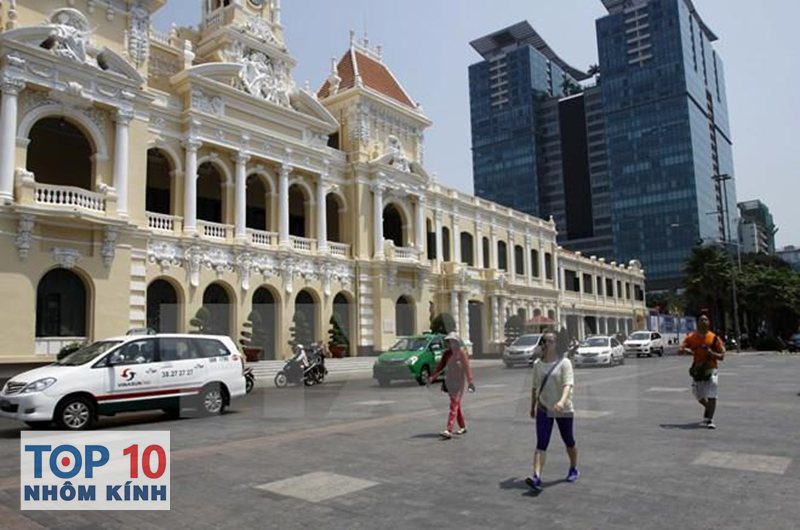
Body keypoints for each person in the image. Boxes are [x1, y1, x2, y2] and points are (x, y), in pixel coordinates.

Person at [526, 332, 579, 491]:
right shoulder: (538, 364)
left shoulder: (564, 363)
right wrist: (533, 406)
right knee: (541, 443)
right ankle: (536, 477)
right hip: (544, 408)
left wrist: (561, 402)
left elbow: (568, 385)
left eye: (550, 341)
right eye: (544, 341)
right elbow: (535, 387)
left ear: (556, 344)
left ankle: (573, 468)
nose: (546, 344)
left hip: (562, 408)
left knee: (569, 441)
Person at [679, 314, 725, 429]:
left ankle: (710, 419)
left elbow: (722, 356)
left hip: (711, 368)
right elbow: (682, 348)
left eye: (706, 319)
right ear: (697, 323)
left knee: (712, 389)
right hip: (698, 370)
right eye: (701, 320)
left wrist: (712, 353)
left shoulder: (714, 338)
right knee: (698, 394)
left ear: (709, 323)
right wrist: (684, 350)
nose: (704, 321)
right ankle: (709, 407)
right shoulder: (691, 337)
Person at [428, 331, 475, 439]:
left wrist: (470, 382)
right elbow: (440, 367)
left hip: (459, 382)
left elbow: (467, 368)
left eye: (453, 341)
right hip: (449, 381)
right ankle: (463, 426)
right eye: (450, 342)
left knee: (454, 404)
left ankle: (448, 430)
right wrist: (432, 377)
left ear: (457, 342)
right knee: (456, 405)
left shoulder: (461, 353)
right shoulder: (447, 354)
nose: (451, 344)